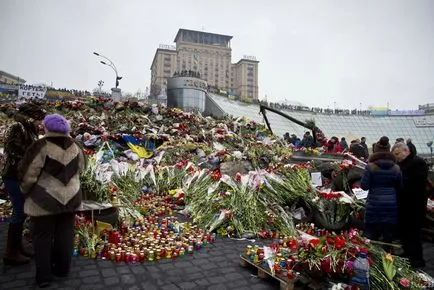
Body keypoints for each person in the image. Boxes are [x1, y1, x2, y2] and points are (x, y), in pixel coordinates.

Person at [18, 114, 86, 288]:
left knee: (42, 236)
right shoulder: (75, 146)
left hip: (45, 199)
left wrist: (25, 191)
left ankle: (44, 276)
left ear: (47, 128)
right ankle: (63, 269)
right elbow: (82, 168)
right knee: (65, 234)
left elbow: (28, 175)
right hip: (70, 198)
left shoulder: (41, 146)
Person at [2, 103, 46, 265]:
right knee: (19, 210)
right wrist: (33, 159)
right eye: (38, 120)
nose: (40, 123)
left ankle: (18, 246)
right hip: (13, 176)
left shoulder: (28, 128)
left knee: (22, 211)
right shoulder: (17, 127)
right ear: (30, 117)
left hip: (23, 176)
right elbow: (13, 150)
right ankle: (10, 252)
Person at [392, 142, 428, 268]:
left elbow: (416, 183)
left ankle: (417, 259)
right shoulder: (401, 164)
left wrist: (398, 180)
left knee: (414, 233)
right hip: (403, 205)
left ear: (406, 151)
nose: (396, 157)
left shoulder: (418, 163)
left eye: (397, 154)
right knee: (404, 232)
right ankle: (407, 252)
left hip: (414, 205)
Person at [361, 136, 402, 245]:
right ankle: (389, 254)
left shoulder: (371, 167)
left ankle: (370, 257)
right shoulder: (396, 168)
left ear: (376, 150)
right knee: (388, 234)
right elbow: (400, 187)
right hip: (390, 204)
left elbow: (364, 186)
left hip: (374, 203)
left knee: (370, 233)